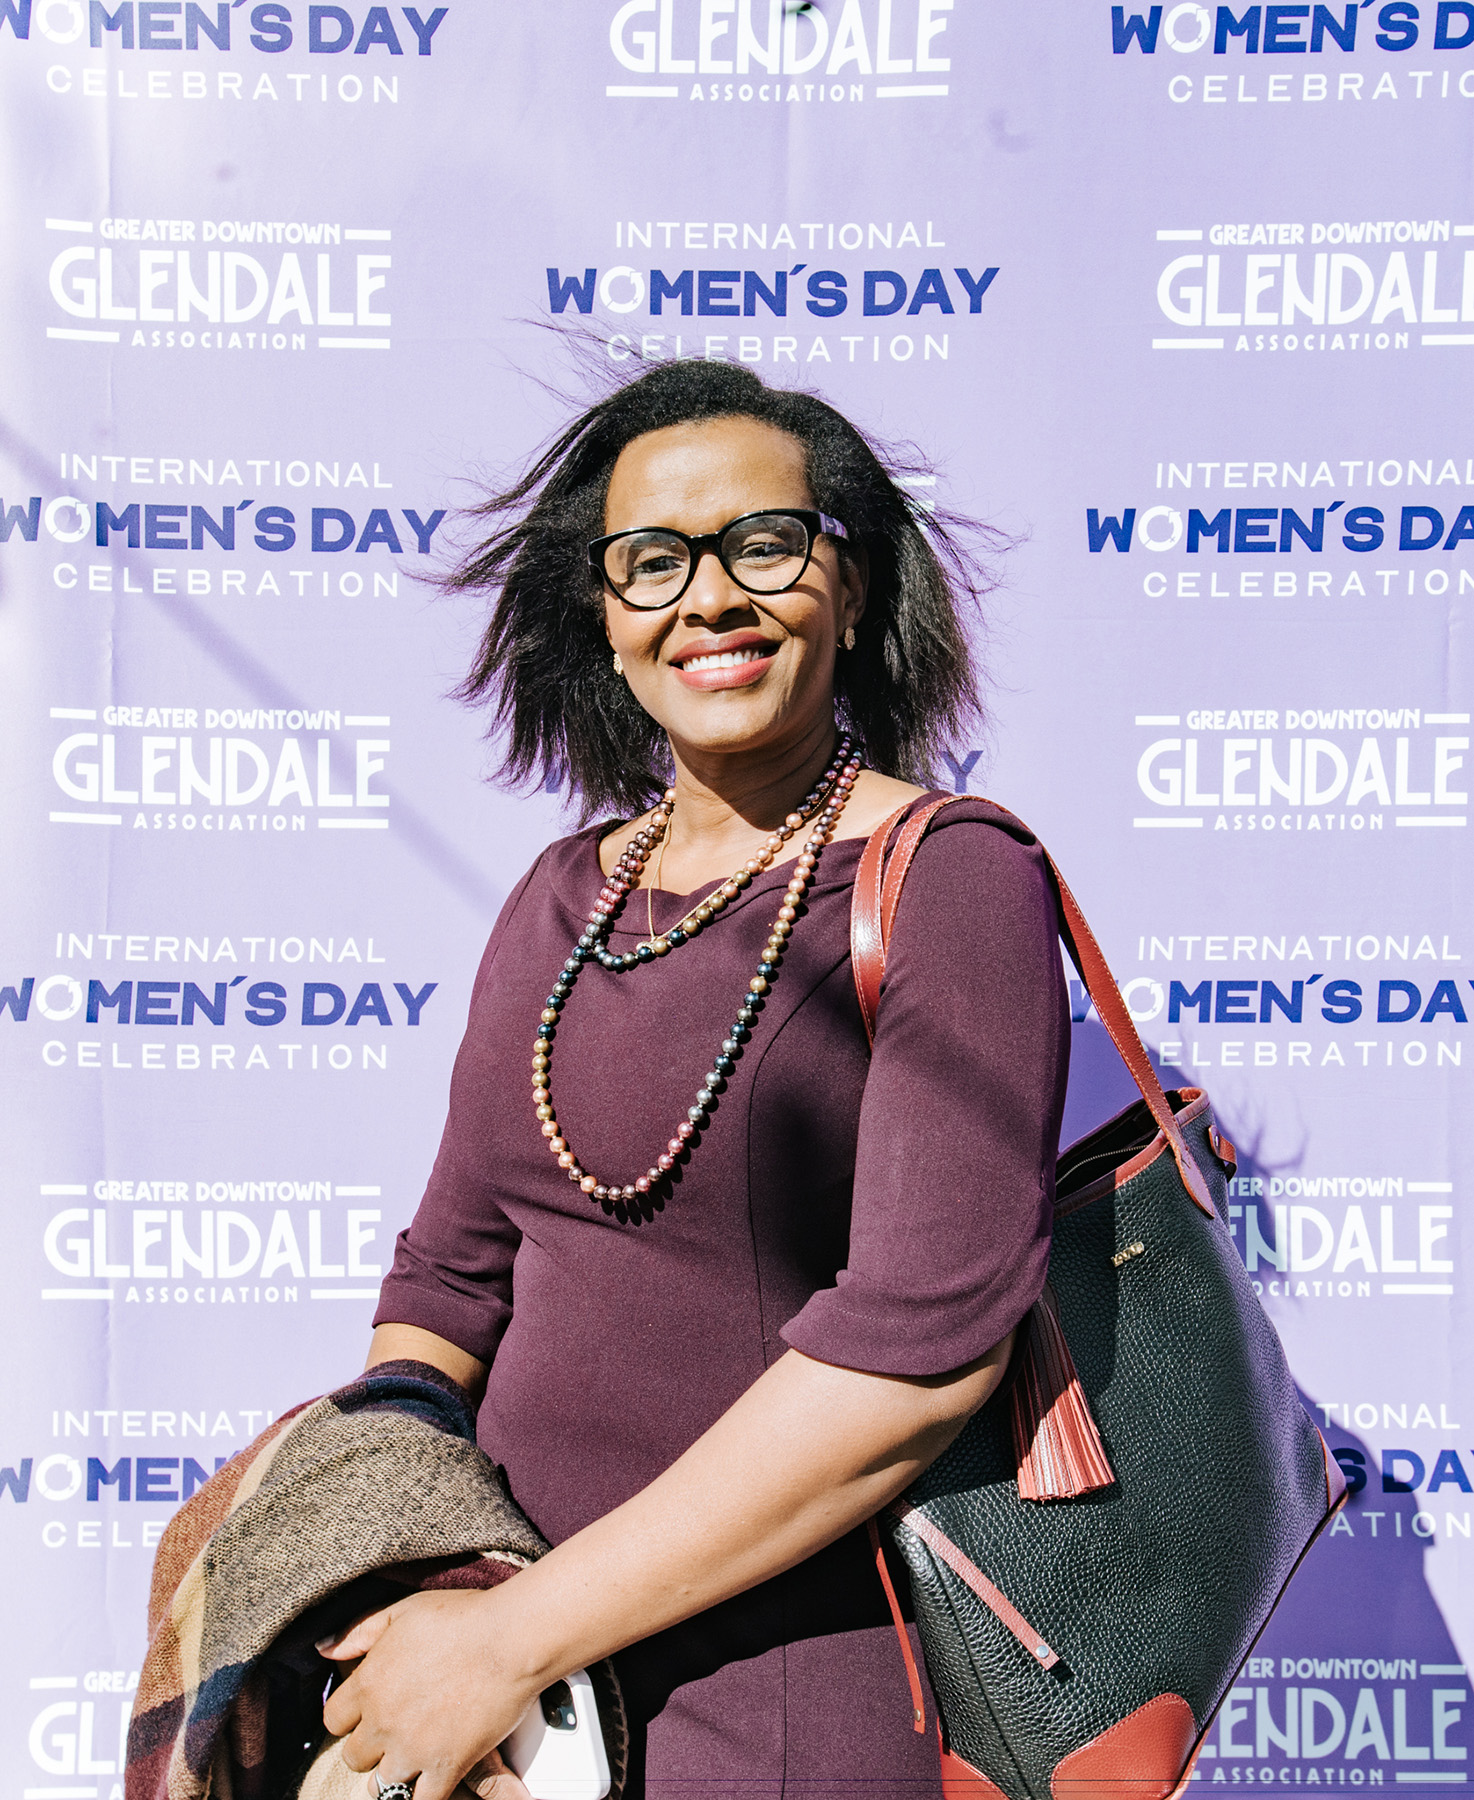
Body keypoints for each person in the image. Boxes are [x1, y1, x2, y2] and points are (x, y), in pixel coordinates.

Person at [320, 361, 1070, 1800]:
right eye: (652, 562)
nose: (708, 598)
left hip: (776, 1711)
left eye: (763, 545)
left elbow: (916, 1358)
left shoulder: (953, 879)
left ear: (853, 589)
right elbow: (449, 1281)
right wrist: (407, 1568)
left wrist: (509, 1642)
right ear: (605, 623)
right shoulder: (560, 895)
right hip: (507, 1724)